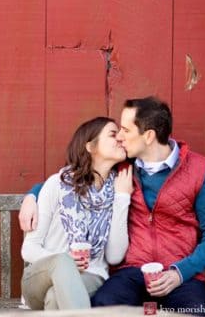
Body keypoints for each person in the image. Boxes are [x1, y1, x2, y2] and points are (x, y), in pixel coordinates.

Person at [19, 96, 205, 316]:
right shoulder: (123, 168)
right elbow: (75, 178)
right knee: (104, 305)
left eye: (125, 130)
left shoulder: (199, 170)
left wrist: (179, 273)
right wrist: (32, 195)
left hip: (180, 273)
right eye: (116, 133)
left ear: (148, 136)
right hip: (131, 272)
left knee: (198, 312)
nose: (121, 137)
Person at [21, 116, 133, 310]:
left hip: (91, 277)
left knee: (56, 297)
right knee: (63, 262)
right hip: (39, 279)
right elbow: (29, 249)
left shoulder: (118, 190)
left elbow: (114, 256)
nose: (120, 139)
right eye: (113, 134)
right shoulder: (57, 185)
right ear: (90, 147)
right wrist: (66, 262)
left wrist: (122, 197)